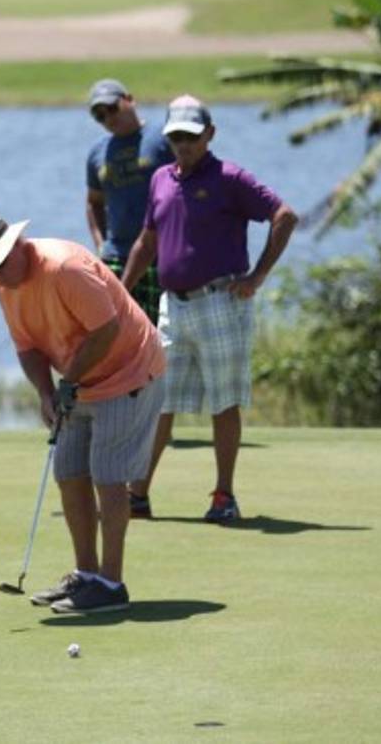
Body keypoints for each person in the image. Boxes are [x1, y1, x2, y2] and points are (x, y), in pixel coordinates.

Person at [0, 210, 165, 614]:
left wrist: (69, 380)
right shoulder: (6, 288)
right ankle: (85, 575)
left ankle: (111, 583)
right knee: (68, 471)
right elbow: (27, 347)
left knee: (108, 475)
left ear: (18, 246)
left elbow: (106, 331)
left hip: (129, 371)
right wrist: (46, 393)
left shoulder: (64, 268)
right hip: (80, 380)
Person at [122, 95, 298, 523]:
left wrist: (256, 277)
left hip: (221, 301)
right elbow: (148, 241)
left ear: (209, 135)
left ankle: (223, 496)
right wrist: (121, 293)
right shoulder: (162, 178)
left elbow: (284, 216)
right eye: (176, 136)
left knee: (224, 402)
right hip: (173, 307)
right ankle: (138, 495)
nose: (183, 143)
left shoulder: (229, 177)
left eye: (191, 136)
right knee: (158, 399)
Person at [84, 78, 174, 326]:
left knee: (160, 331)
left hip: (160, 252)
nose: (108, 118)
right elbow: (93, 202)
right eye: (99, 115)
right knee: (117, 330)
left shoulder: (163, 139)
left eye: (112, 108)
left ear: (129, 100)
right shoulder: (97, 153)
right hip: (117, 255)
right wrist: (101, 244)